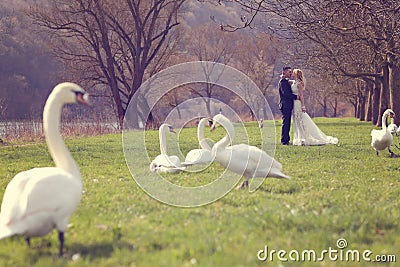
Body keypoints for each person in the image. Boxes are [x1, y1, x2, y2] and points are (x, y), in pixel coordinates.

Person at [291, 68, 338, 146]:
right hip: (294, 104)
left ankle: (305, 137)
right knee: (297, 120)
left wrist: (303, 106)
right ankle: (300, 138)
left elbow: (301, 96)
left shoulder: (299, 84)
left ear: (295, 74)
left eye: (293, 73)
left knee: (300, 120)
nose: (292, 74)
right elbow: (290, 82)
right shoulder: (294, 82)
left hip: (298, 103)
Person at [278, 66, 299, 145]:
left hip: (288, 105)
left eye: (291, 72)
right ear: (284, 72)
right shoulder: (283, 82)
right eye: (289, 72)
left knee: (287, 122)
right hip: (285, 105)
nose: (291, 73)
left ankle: (286, 139)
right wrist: (296, 97)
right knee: (286, 123)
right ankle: (284, 140)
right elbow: (286, 94)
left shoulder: (285, 81)